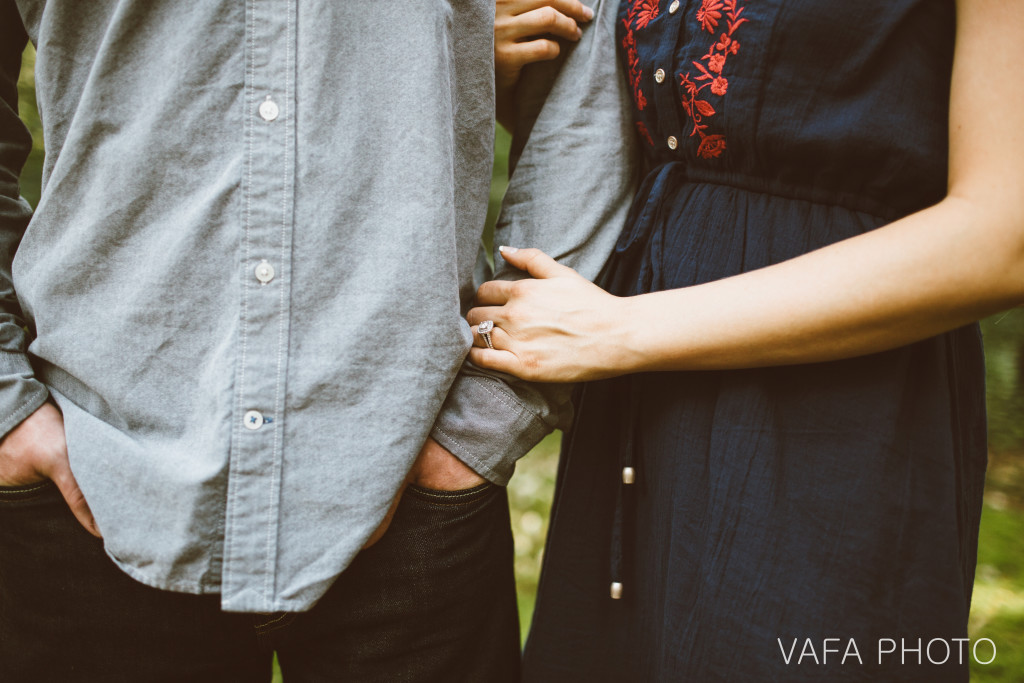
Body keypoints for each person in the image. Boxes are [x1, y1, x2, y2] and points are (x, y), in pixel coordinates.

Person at [0, 1, 579, 680]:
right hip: (93, 457)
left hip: (418, 467)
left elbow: (583, 93)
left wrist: (486, 421)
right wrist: (8, 406)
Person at [474, 0, 1024, 680]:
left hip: (831, 428)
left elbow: (1005, 237)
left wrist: (622, 329)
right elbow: (683, 132)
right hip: (638, 423)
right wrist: (490, 69)